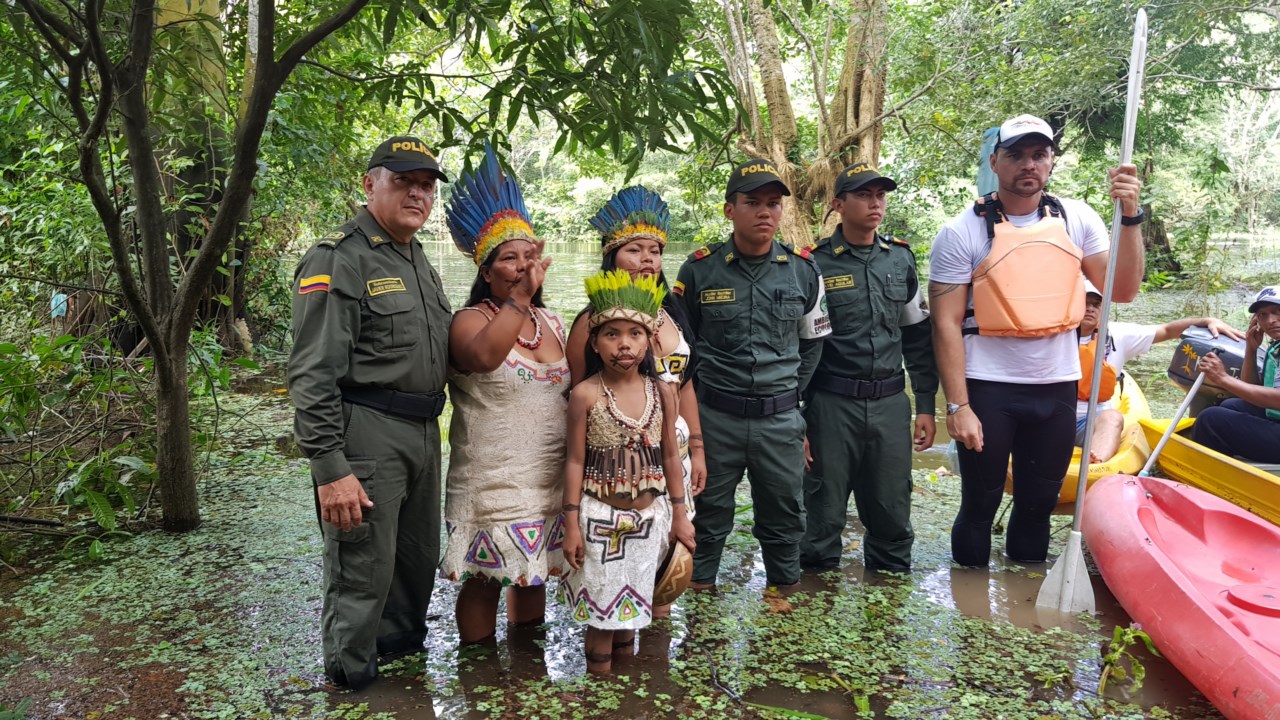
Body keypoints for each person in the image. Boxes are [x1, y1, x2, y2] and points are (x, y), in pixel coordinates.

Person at [928, 114, 1145, 567]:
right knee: (979, 506)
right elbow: (946, 324)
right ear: (995, 161)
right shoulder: (960, 231)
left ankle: (1020, 609)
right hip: (988, 389)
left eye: (1039, 154)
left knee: (1037, 508)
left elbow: (1121, 291)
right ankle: (970, 615)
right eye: (1016, 154)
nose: (1029, 164)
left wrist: (1131, 216)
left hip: (1056, 389)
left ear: (1050, 162)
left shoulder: (1078, 218)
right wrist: (958, 406)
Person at [287, 136, 452, 690]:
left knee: (414, 562)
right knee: (364, 571)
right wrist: (331, 470)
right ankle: (351, 683)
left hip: (425, 433)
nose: (417, 193)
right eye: (403, 181)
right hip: (368, 434)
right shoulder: (339, 257)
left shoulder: (417, 257)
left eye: (426, 185)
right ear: (369, 184)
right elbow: (312, 373)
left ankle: (404, 682)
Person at [673, 158, 831, 591]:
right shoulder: (700, 269)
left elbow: (813, 344)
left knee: (784, 519)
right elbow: (680, 348)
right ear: (730, 210)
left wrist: (788, 401)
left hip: (779, 422)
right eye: (753, 202)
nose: (765, 212)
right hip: (715, 419)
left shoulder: (804, 269)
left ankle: (782, 598)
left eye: (774, 204)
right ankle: (701, 604)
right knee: (706, 517)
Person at [441, 143, 567, 644]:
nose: (519, 266)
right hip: (492, 477)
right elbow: (486, 358)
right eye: (507, 259)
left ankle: (525, 663)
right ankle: (478, 671)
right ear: (486, 270)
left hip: (547, 473)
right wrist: (518, 300)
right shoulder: (469, 321)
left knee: (531, 572)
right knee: (484, 579)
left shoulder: (553, 322)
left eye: (527, 257)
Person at [566, 186, 706, 615]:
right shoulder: (593, 322)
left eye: (655, 251)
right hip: (617, 470)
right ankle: (615, 660)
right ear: (612, 258)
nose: (648, 260)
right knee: (615, 574)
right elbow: (577, 398)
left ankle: (653, 663)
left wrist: (697, 447)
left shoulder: (670, 313)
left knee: (666, 566)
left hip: (675, 455)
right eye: (634, 250)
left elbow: (684, 384)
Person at [802, 164, 938, 572]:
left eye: (880, 195)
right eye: (863, 195)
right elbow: (804, 347)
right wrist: (799, 417)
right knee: (821, 517)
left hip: (890, 405)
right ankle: (813, 603)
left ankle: (889, 606)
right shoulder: (814, 264)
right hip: (831, 405)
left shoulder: (900, 259)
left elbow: (917, 338)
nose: (875, 203)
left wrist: (927, 405)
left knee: (892, 511)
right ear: (839, 205)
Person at [560, 269, 695, 674]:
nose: (624, 344)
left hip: (649, 521)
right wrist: (571, 524)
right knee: (602, 615)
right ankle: (600, 687)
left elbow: (671, 456)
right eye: (612, 334)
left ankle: (627, 693)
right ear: (595, 344)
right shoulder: (585, 394)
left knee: (634, 612)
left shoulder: (663, 392)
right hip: (599, 521)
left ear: (651, 339)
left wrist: (680, 515)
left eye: (634, 334)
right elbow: (574, 461)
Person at [1073, 280, 1241, 462]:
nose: (1090, 308)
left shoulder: (1118, 334)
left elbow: (1167, 330)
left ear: (1103, 308)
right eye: (1085, 303)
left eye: (1096, 304)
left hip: (1091, 421)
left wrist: (1206, 321)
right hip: (1056, 415)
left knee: (1113, 417)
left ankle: (1096, 464)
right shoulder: (1053, 335)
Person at [1193, 286, 1280, 463]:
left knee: (1210, 419)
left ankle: (1213, 475)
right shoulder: (1276, 347)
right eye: (1263, 315)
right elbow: (1252, 393)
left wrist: (1223, 378)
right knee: (1231, 405)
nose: (1270, 320)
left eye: (1277, 312)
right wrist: (1251, 348)